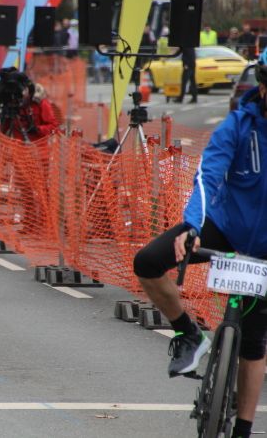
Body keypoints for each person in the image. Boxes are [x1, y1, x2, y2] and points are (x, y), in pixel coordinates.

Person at [133, 63, 267, 438]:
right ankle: (188, 333)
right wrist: (192, 226)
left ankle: (242, 428)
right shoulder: (239, 126)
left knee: (254, 343)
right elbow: (207, 175)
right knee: (147, 261)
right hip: (222, 226)